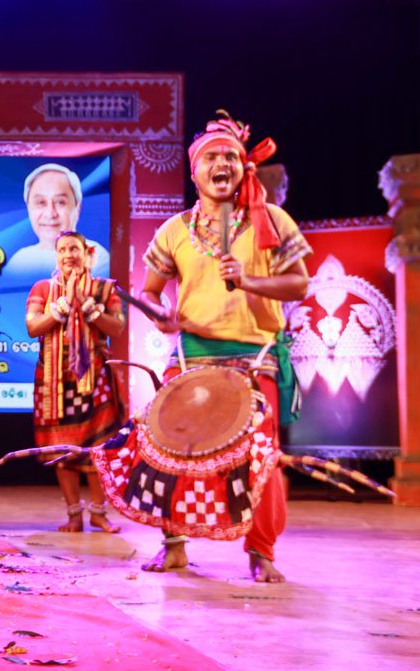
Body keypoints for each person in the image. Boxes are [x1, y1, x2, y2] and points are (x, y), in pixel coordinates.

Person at [139, 112, 310, 583]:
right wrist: (159, 312)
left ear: (243, 167)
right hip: (192, 356)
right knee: (174, 455)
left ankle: (262, 552)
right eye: (211, 156)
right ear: (194, 171)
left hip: (254, 359)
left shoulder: (270, 219)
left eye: (231, 156)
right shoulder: (175, 229)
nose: (222, 163)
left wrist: (249, 279)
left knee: (261, 459)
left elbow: (299, 284)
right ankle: (174, 545)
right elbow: (151, 290)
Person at [25, 230, 126, 533]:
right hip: (54, 381)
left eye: (74, 249)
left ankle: (98, 512)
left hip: (94, 379)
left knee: (97, 447)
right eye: (63, 249)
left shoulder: (105, 288)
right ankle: (72, 514)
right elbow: (32, 327)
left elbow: (117, 328)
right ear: (55, 255)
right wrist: (64, 305)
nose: (69, 254)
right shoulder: (43, 288)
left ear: (86, 253)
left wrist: (85, 304)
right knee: (62, 448)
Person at [4, 163, 110, 280]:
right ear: (29, 208)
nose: (50, 213)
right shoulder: (19, 261)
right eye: (41, 203)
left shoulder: (96, 257)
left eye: (60, 202)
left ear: (77, 207)